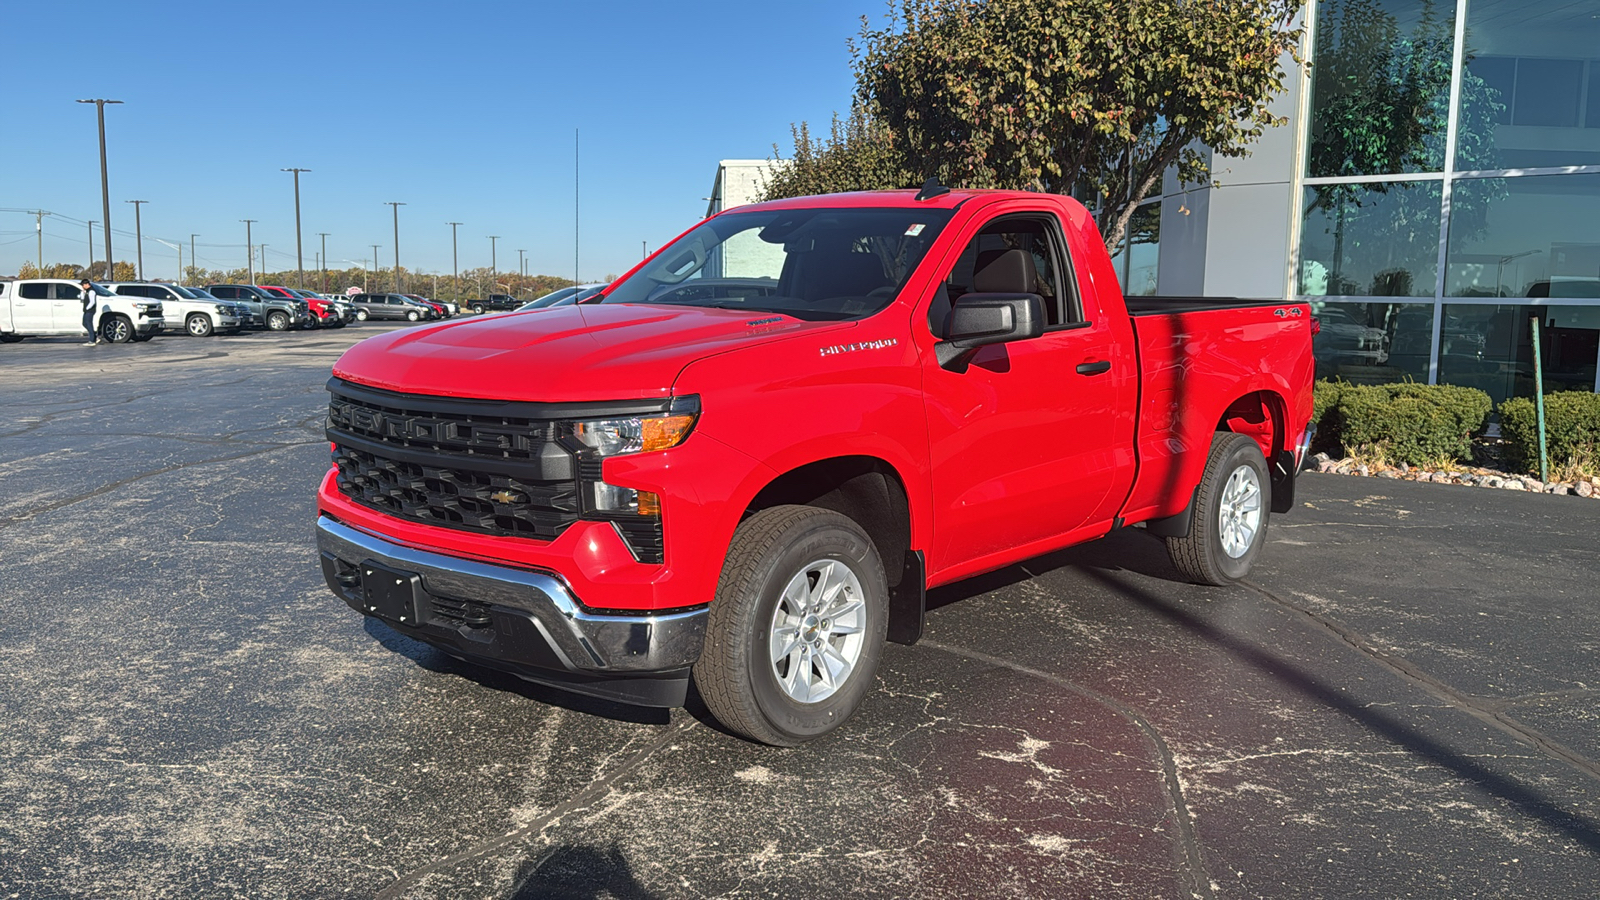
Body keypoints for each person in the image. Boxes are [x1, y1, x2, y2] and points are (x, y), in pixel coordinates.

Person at [79, 278, 100, 346]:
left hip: (90, 311)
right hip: (86, 311)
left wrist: (87, 308)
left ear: (87, 284)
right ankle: (94, 336)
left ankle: (92, 340)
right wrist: (82, 292)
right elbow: (82, 299)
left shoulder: (91, 291)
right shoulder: (87, 291)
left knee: (89, 324)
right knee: (84, 323)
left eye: (83, 285)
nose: (82, 286)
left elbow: (92, 302)